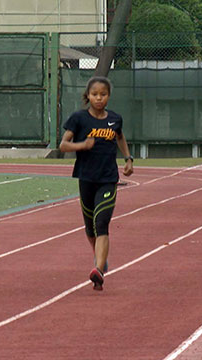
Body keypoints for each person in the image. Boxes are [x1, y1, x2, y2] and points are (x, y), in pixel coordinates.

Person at [59, 76, 134, 291]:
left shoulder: (115, 119)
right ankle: (99, 258)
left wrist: (128, 158)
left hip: (108, 179)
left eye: (103, 94)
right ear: (88, 96)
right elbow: (63, 145)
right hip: (86, 178)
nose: (99, 98)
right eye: (94, 94)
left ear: (109, 96)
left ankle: (98, 271)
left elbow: (120, 137)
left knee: (102, 224)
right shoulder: (79, 119)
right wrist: (82, 145)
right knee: (90, 229)